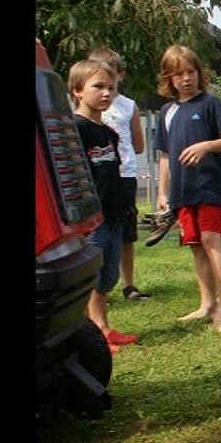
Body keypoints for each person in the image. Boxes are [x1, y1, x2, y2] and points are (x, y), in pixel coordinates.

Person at [153, 44, 221, 332]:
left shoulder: (210, 104)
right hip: (182, 191)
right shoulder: (166, 111)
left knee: (210, 241)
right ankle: (207, 303)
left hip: (208, 186)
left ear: (199, 73)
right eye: (178, 74)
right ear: (169, 78)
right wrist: (162, 193)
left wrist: (206, 146)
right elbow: (164, 155)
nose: (186, 78)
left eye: (190, 71)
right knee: (195, 246)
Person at [68, 58, 139, 350]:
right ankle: (85, 334)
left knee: (107, 277)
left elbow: (114, 173)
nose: (107, 93)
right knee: (87, 278)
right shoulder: (75, 129)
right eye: (98, 86)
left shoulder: (109, 133)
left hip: (114, 215)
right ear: (77, 91)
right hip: (90, 221)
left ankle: (103, 328)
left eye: (111, 87)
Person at [89, 47, 150, 300]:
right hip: (94, 177)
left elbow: (138, 145)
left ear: (119, 76)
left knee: (125, 231)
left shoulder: (128, 106)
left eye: (110, 79)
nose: (105, 90)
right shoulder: (81, 106)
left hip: (123, 175)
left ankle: (128, 284)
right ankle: (91, 288)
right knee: (95, 233)